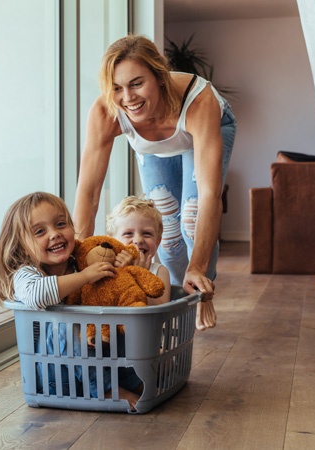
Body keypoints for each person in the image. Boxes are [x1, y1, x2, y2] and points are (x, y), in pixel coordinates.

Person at [73, 34, 237, 331]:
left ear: (159, 77)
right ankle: (175, 298)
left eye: (137, 83)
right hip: (155, 148)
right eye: (117, 88)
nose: (128, 98)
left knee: (190, 215)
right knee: (168, 232)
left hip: (203, 130)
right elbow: (89, 192)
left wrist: (198, 266)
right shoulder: (106, 111)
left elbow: (210, 194)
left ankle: (201, 290)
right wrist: (77, 259)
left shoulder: (199, 100)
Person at [0, 191, 143, 409]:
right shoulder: (26, 274)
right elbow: (37, 295)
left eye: (61, 224)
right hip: (55, 376)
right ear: (21, 245)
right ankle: (108, 389)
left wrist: (121, 267)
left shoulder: (81, 263)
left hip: (95, 365)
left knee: (113, 324)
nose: (54, 234)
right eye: (40, 231)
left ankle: (134, 381)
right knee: (64, 324)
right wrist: (85, 277)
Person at [106, 195, 171, 305]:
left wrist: (138, 275)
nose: (138, 240)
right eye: (128, 234)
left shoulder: (159, 271)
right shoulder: (107, 267)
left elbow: (161, 308)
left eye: (147, 233)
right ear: (113, 241)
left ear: (158, 241)